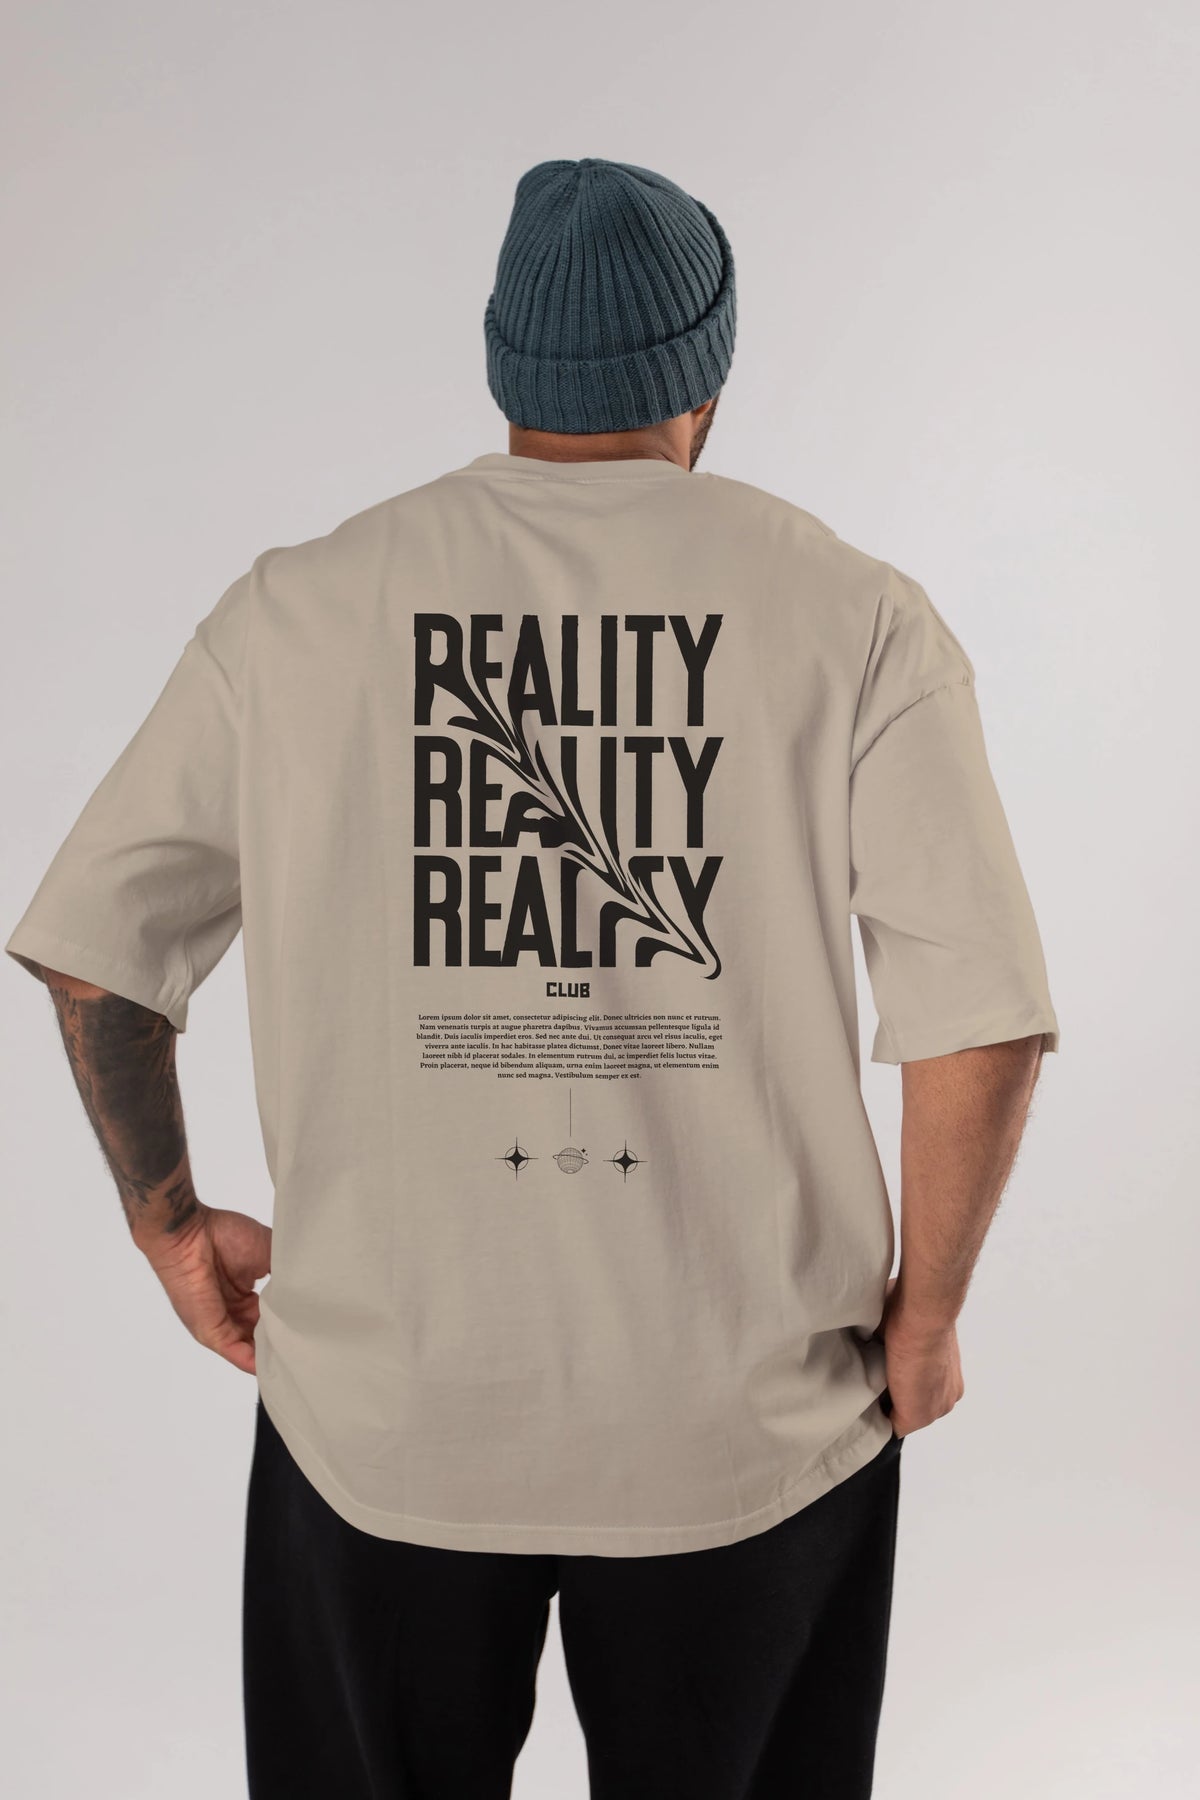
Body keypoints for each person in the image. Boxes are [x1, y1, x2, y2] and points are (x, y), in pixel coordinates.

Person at [7, 156, 1058, 1799]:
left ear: (502, 361)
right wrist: (925, 1321)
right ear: (708, 377)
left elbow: (96, 954)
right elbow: (979, 1025)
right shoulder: (856, 617)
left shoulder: (298, 611)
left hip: (387, 1418)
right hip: (753, 1427)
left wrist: (170, 1228)